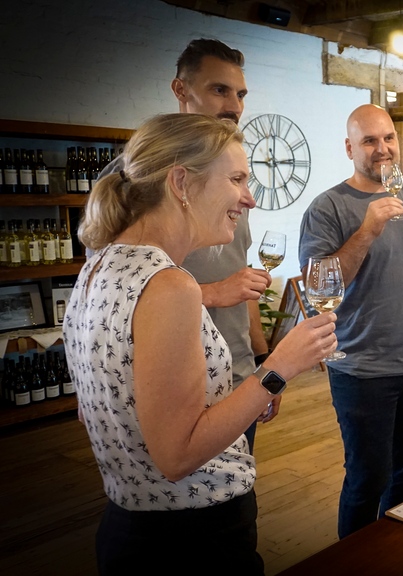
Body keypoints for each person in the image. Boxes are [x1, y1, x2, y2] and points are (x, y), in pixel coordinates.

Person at [64, 114, 338, 574]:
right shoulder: (169, 285)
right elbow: (177, 456)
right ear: (181, 183)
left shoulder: (99, 266)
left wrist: (237, 399)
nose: (249, 198)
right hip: (192, 540)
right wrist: (277, 370)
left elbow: (112, 404)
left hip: (129, 527)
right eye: (236, 179)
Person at [97, 39, 273, 452]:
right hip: (172, 382)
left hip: (236, 371)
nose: (234, 105)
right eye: (219, 90)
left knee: (234, 490)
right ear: (181, 90)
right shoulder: (135, 175)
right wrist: (210, 293)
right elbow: (111, 291)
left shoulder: (229, 179)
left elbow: (241, 277)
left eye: (240, 94)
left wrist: (261, 365)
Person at [298, 104, 403, 538]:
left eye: (388, 138)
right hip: (363, 372)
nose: (382, 149)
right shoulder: (327, 208)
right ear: (350, 148)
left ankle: (396, 555)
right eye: (369, 141)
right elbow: (319, 290)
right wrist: (367, 229)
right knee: (368, 480)